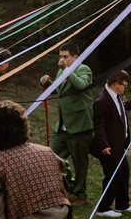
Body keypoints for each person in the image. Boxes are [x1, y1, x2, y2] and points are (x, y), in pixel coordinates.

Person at [41, 45, 96, 204]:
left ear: (75, 56)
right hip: (63, 125)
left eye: (65, 56)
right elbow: (61, 92)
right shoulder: (62, 70)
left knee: (80, 162)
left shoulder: (84, 69)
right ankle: (70, 186)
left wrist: (66, 69)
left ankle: (81, 194)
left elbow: (80, 85)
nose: (62, 59)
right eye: (61, 56)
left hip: (79, 125)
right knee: (51, 157)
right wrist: (47, 82)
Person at [90, 70, 131, 218]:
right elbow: (99, 126)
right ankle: (103, 208)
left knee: (124, 173)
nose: (125, 88)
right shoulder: (101, 101)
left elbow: (127, 104)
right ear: (116, 84)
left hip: (119, 144)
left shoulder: (117, 96)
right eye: (124, 85)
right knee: (113, 175)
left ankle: (123, 204)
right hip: (109, 146)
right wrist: (104, 145)